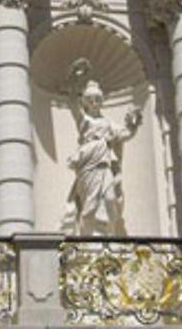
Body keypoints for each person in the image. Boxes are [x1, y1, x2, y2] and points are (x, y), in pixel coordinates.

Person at [60, 58, 141, 236]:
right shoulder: (84, 121)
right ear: (86, 102)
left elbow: (125, 134)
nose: (95, 102)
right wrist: (73, 78)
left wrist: (134, 123)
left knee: (111, 201)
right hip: (88, 167)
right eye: (91, 99)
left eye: (98, 99)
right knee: (90, 205)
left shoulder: (108, 124)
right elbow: (72, 101)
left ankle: (107, 238)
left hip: (105, 168)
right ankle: (87, 242)